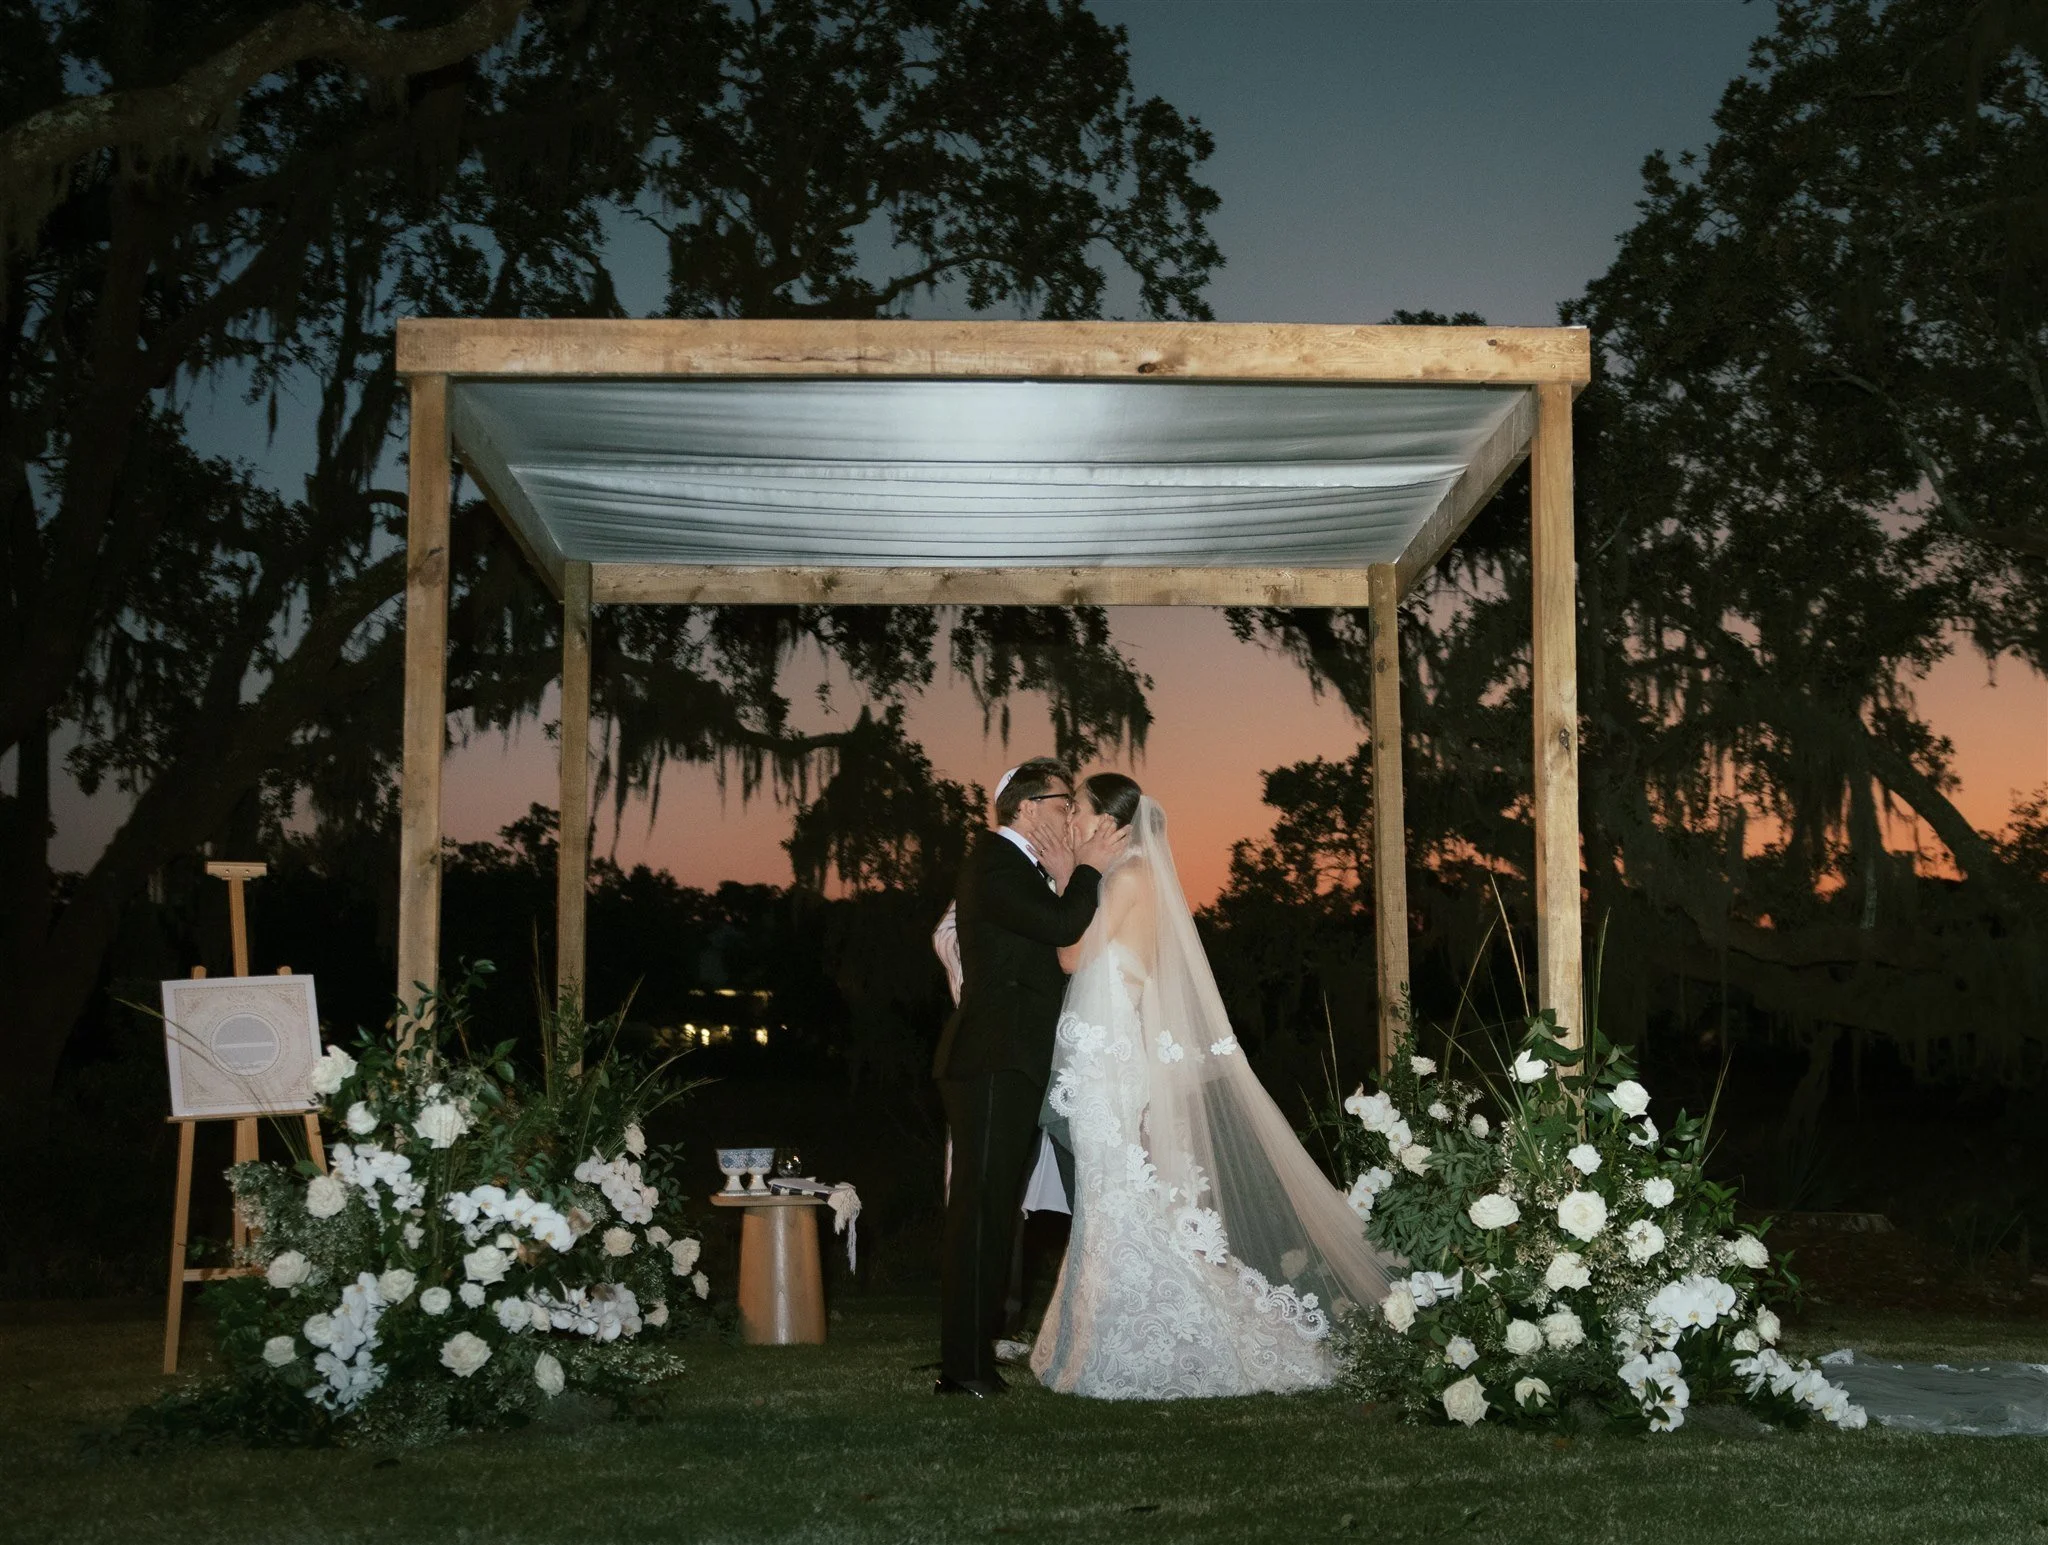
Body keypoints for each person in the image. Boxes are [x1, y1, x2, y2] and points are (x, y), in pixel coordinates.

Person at [1030, 773, 1397, 1399]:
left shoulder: (1122, 879)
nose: (1072, 823)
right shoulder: (1133, 876)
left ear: (1109, 824)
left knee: (1114, 1195)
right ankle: (1094, 1336)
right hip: (1109, 1059)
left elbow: (1070, 956)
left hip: (1108, 1064)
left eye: (1082, 813)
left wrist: (1069, 872)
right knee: (1111, 1194)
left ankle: (1144, 1341)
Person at [932, 757, 1128, 1397]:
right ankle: (964, 1368)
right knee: (981, 1210)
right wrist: (1090, 868)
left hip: (1012, 1060)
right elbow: (1062, 927)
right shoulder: (994, 862)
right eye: (1062, 801)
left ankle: (972, 1358)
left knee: (992, 1210)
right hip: (991, 1058)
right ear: (1026, 807)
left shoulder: (1019, 866)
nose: (1070, 813)